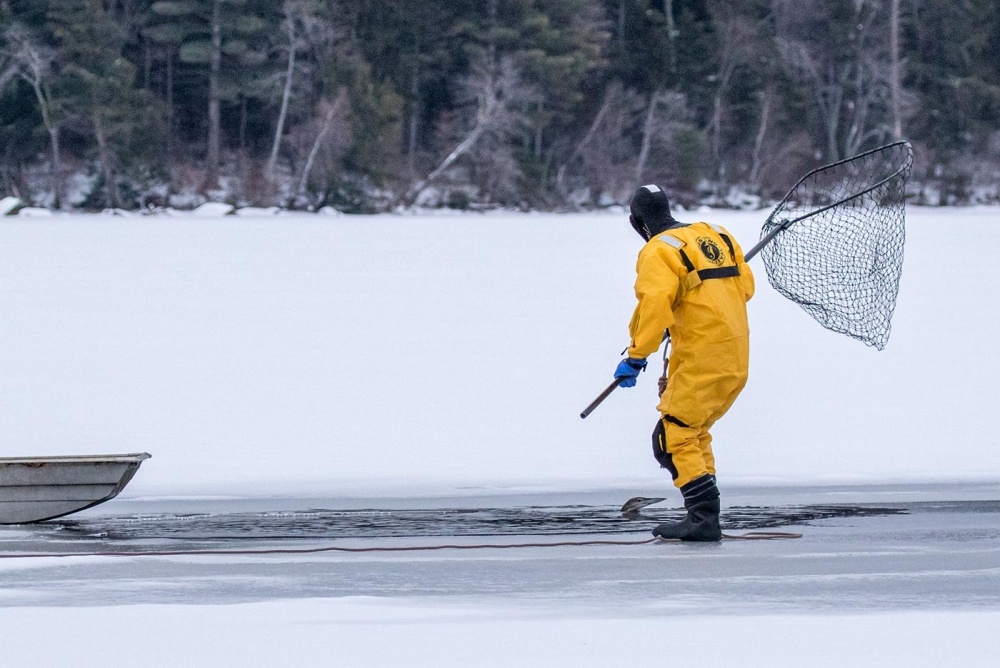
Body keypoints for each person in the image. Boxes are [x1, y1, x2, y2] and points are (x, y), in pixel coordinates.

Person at [614, 185, 754, 541]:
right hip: (735, 356)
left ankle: (703, 521)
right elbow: (745, 288)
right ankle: (705, 517)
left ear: (636, 223)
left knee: (672, 436)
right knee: (693, 432)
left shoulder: (657, 251)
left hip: (701, 358)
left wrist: (636, 355)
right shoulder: (717, 235)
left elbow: (654, 304)